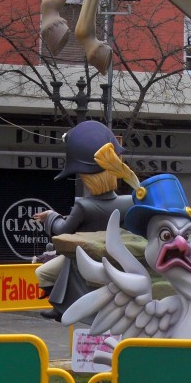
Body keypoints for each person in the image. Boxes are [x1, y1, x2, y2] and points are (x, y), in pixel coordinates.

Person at [33, 120, 134, 320]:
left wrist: (50, 217)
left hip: (82, 260)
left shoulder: (83, 207)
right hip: (116, 262)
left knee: (43, 273)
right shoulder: (128, 202)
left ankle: (63, 305)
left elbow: (62, 230)